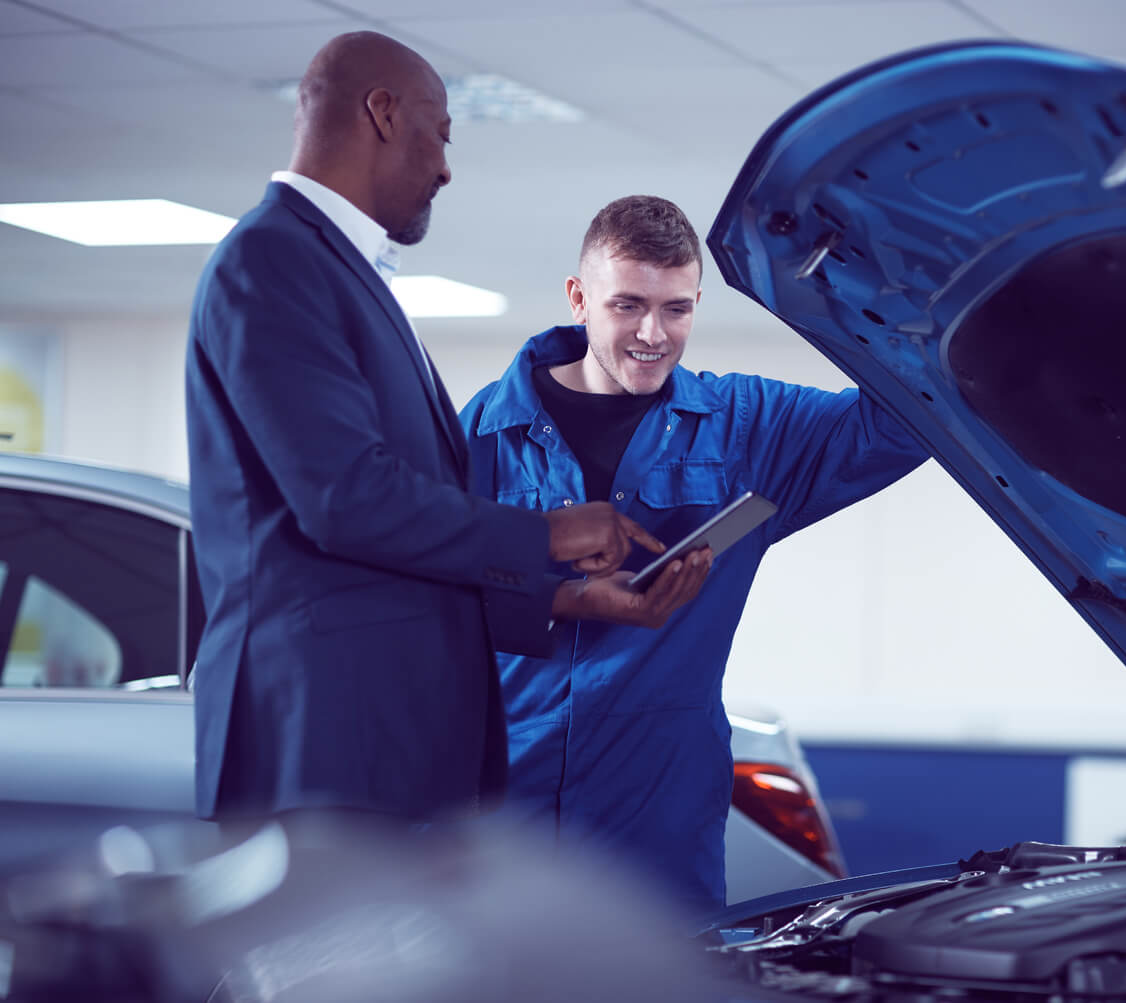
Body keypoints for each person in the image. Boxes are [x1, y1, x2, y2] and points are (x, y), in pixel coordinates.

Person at [184, 35, 708, 825]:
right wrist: (548, 534)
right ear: (382, 113)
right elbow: (346, 500)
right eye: (440, 133)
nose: (445, 167)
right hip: (321, 742)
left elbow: (396, 550)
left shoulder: (344, 273)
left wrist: (567, 597)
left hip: (374, 739)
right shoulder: (273, 260)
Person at [459, 195, 929, 912]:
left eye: (676, 309)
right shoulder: (481, 435)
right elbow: (419, 597)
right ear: (579, 299)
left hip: (657, 819)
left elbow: (903, 421)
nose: (653, 333)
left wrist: (855, 284)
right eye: (628, 305)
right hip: (495, 806)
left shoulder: (750, 429)